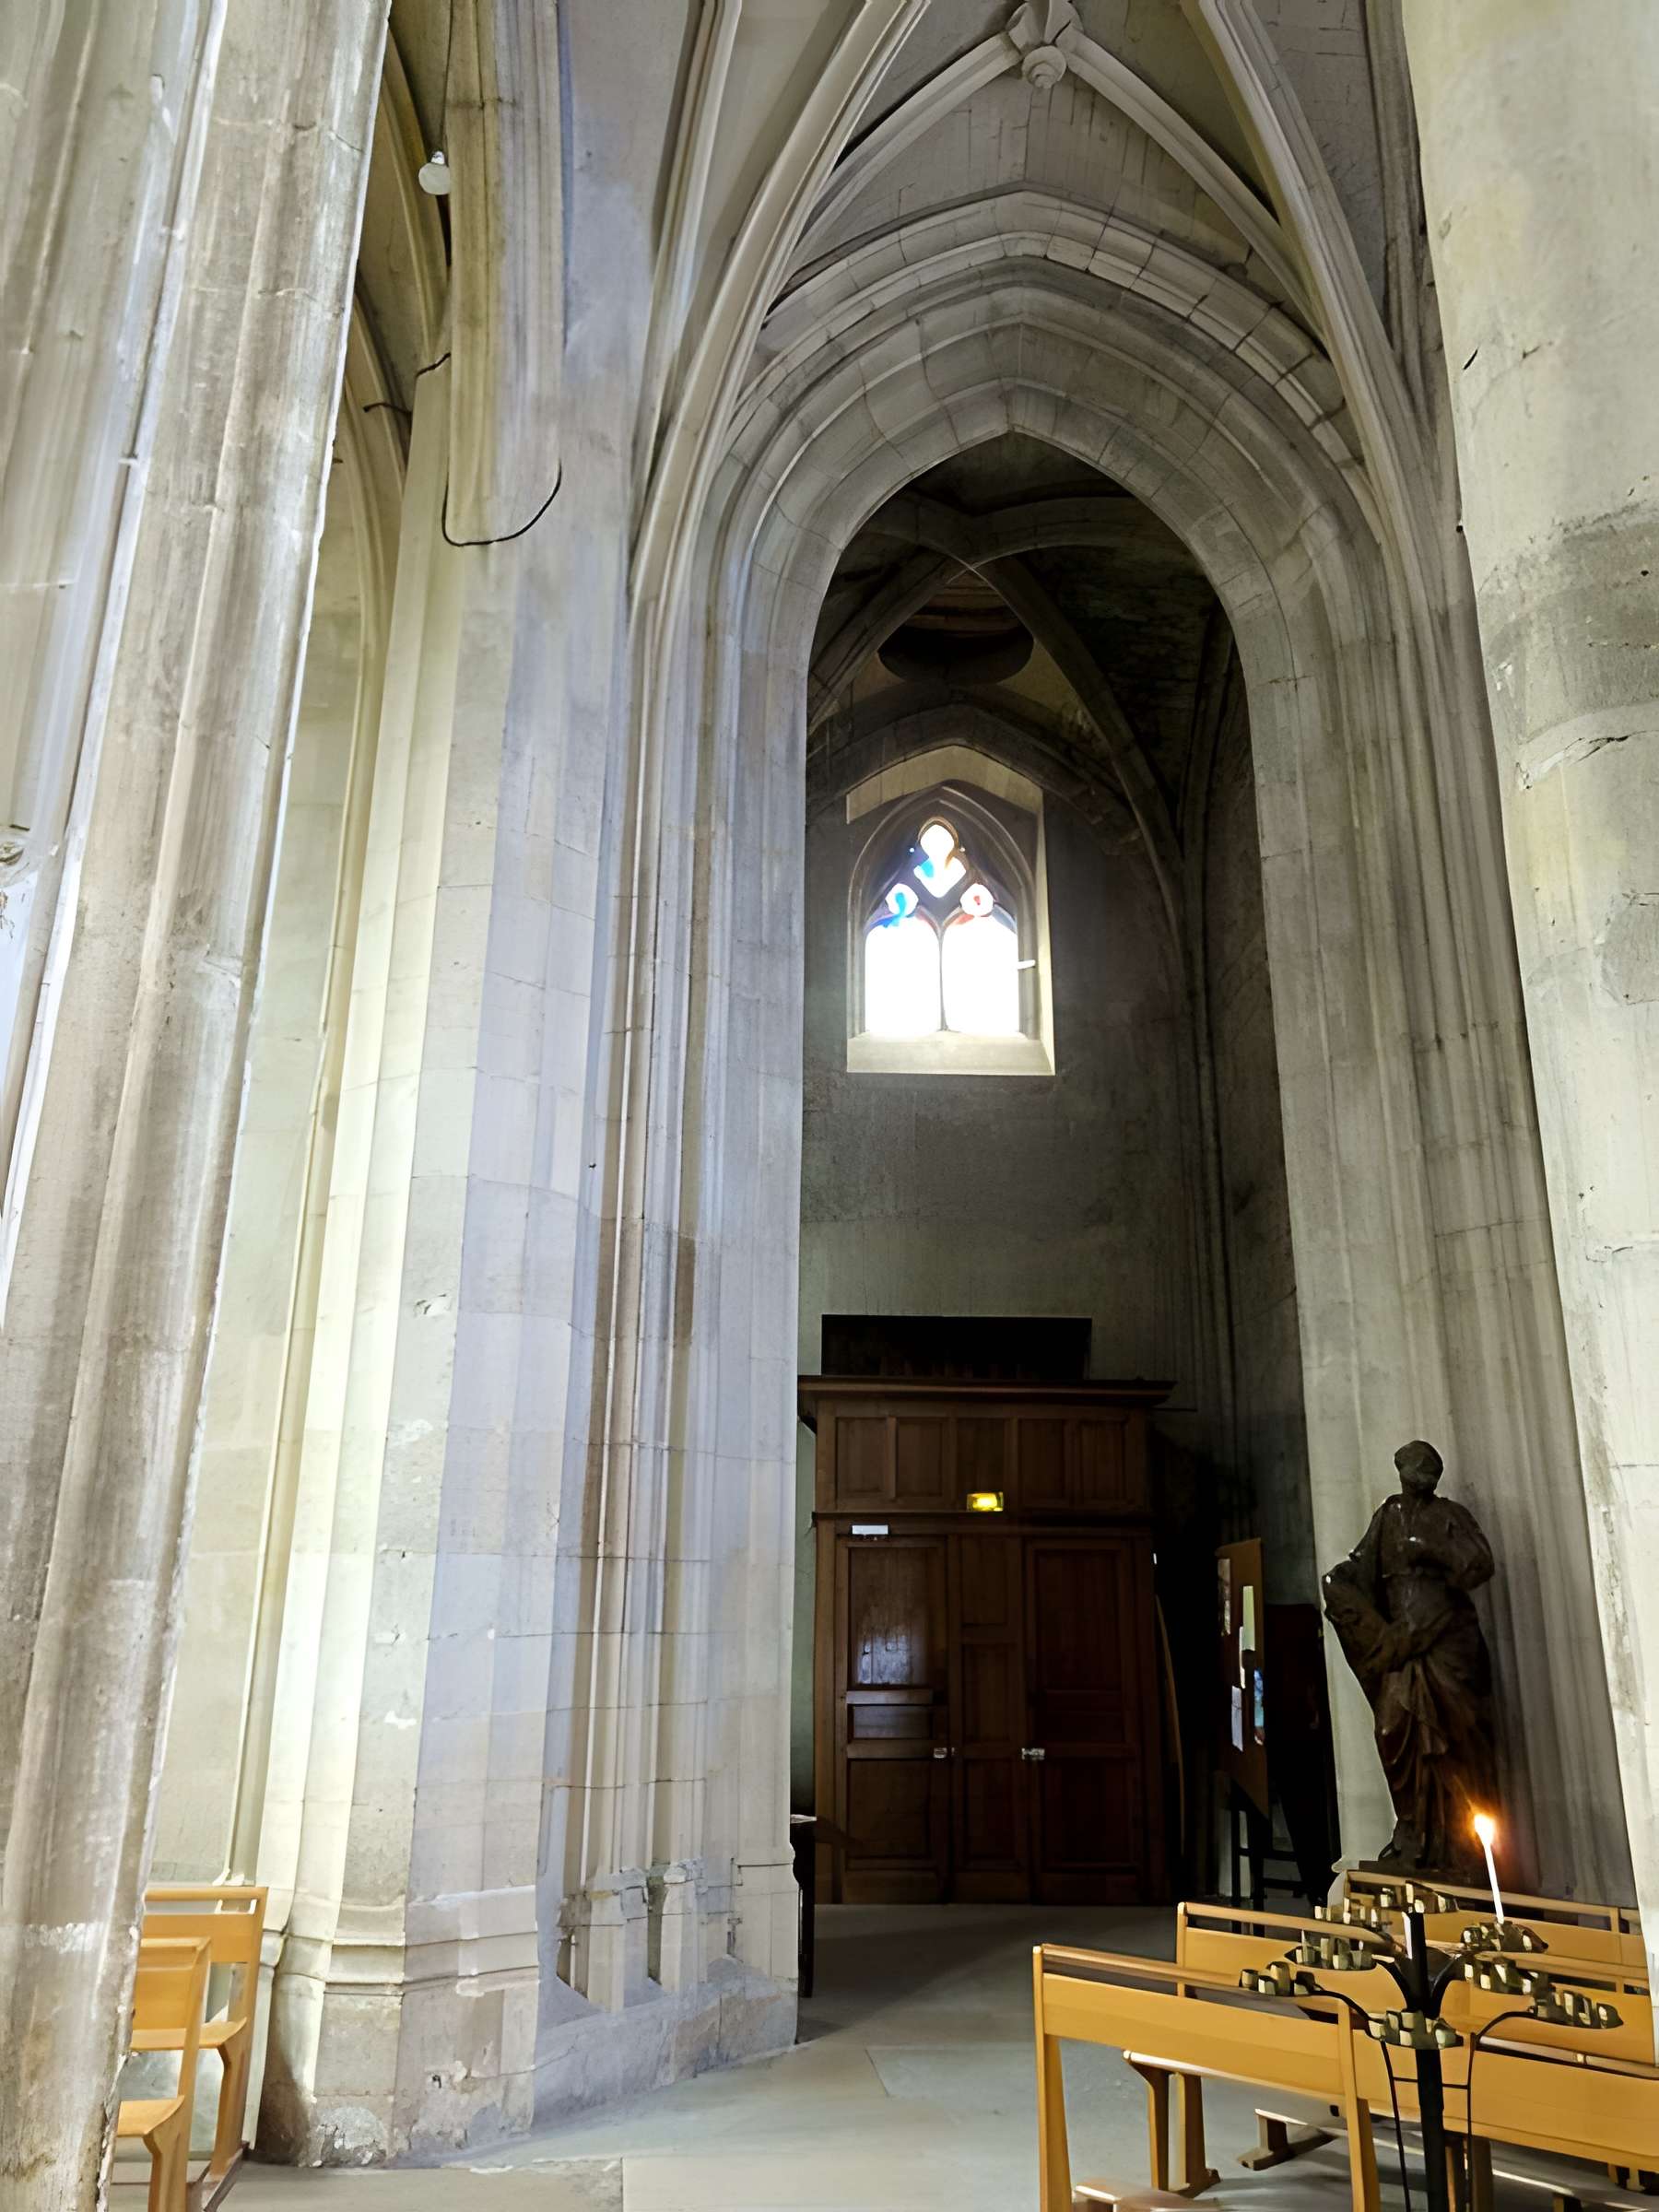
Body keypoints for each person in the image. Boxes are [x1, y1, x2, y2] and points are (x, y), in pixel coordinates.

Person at [1322, 1441, 1497, 1874]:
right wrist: (1340, 1584)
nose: (1417, 1482)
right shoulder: (1389, 1515)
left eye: (1425, 1475)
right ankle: (1415, 1833)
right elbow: (1362, 1567)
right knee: (1392, 1728)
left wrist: (1433, 1550)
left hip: (1444, 1639)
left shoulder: (1449, 1516)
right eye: (1411, 1473)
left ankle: (1462, 1843)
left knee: (1456, 1736)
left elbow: (1480, 1563)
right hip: (1403, 1639)